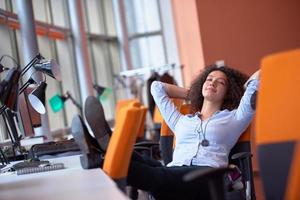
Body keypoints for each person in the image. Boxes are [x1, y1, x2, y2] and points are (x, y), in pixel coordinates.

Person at [126, 64, 260, 199]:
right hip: (175, 170)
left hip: (207, 175)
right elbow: (156, 87)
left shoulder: (235, 119)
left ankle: (107, 159)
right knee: (130, 157)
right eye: (209, 79)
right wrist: (194, 94)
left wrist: (243, 89)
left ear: (228, 93)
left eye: (221, 82)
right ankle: (107, 149)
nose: (212, 83)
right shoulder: (180, 121)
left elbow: (258, 77)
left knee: (151, 175)